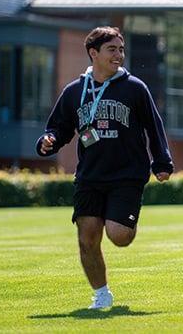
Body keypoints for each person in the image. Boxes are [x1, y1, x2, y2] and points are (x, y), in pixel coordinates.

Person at [36, 26, 174, 309]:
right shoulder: (75, 91)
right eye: (112, 50)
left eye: (121, 50)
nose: (118, 55)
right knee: (87, 238)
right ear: (93, 53)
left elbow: (154, 126)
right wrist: (49, 141)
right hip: (90, 176)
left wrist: (162, 161)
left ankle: (125, 221)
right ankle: (101, 295)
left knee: (119, 236)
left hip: (127, 175)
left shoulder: (135, 88)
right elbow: (59, 128)